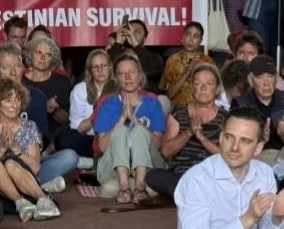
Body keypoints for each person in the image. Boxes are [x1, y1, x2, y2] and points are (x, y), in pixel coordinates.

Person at [146, 64, 226, 200]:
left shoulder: (226, 118)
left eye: (209, 84)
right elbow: (165, 151)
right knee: (153, 176)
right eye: (198, 84)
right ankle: (195, 195)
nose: (203, 88)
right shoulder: (178, 113)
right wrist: (189, 132)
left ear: (217, 88)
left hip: (212, 176)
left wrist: (202, 138)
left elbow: (227, 157)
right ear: (192, 88)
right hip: (183, 176)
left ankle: (191, 196)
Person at [94, 54, 166, 204]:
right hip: (114, 168)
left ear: (140, 75)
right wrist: (122, 119)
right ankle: (124, 187)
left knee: (138, 130)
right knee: (121, 131)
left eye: (131, 72)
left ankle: (139, 186)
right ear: (116, 79)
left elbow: (158, 144)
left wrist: (135, 120)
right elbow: (102, 147)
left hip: (148, 166)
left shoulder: (152, 103)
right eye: (122, 73)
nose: (127, 77)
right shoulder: (107, 104)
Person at [234, 56, 284, 188]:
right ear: (251, 80)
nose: (266, 83)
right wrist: (260, 140)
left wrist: (283, 135)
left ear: (276, 79)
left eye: (270, 76)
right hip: (256, 157)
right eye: (260, 77)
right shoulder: (240, 103)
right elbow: (236, 144)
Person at [0, 79, 61, 221]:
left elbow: (36, 168)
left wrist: (16, 148)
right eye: (8, 100)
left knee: (10, 163)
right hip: (1, 192)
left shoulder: (29, 127)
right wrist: (3, 148)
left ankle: (44, 200)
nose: (14, 105)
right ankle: (21, 203)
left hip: (27, 185)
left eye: (17, 99)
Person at [55, 49, 113, 160]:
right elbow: (78, 129)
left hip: (113, 138)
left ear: (110, 67)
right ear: (90, 70)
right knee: (63, 139)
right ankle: (91, 160)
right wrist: (96, 115)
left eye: (103, 65)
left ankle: (92, 160)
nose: (100, 70)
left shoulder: (118, 88)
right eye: (95, 67)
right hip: (88, 138)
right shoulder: (80, 89)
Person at [22, 37, 72, 143]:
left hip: (54, 142)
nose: (43, 58)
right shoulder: (19, 81)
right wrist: (42, 106)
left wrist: (55, 111)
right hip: (23, 139)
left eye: (48, 55)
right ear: (30, 54)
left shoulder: (62, 82)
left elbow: (69, 120)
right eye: (38, 52)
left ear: (53, 59)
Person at [159, 23, 215, 106]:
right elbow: (169, 94)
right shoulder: (172, 60)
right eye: (188, 34)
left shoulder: (208, 62)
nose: (191, 40)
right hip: (177, 108)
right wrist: (187, 72)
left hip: (201, 107)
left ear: (200, 41)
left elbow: (213, 92)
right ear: (183, 37)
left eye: (196, 36)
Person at [108, 19, 164, 94]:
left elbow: (153, 70)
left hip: (145, 97)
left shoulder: (154, 57)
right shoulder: (115, 52)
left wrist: (135, 45)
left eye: (137, 31)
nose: (132, 33)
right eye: (129, 30)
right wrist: (118, 43)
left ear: (144, 39)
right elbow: (107, 66)